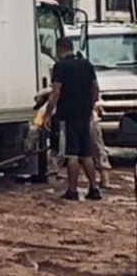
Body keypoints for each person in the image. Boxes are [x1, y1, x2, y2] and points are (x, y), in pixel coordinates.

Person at [44, 37, 102, 201]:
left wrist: (48, 114)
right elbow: (95, 88)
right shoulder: (86, 64)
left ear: (59, 49)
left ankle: (72, 190)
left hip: (67, 116)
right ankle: (94, 188)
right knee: (86, 153)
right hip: (84, 115)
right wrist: (90, 107)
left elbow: (56, 92)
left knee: (72, 154)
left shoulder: (60, 66)